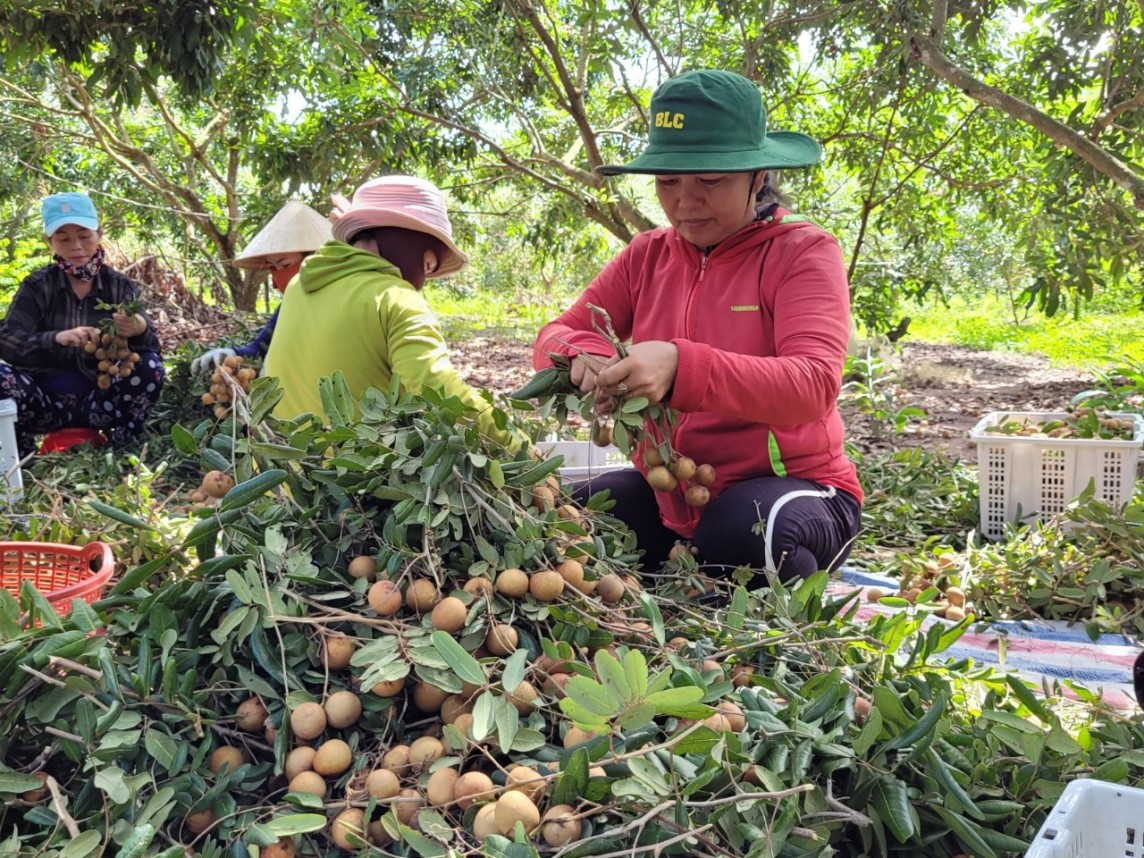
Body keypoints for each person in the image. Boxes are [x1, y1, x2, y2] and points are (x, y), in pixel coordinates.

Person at [533, 70, 863, 583]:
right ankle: (686, 576)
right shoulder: (646, 257)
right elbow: (559, 332)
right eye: (668, 182)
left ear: (759, 177)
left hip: (795, 488)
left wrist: (682, 366)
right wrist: (581, 355)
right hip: (677, 497)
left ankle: (764, 591)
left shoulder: (803, 252)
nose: (685, 202)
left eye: (710, 181)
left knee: (744, 534)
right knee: (571, 519)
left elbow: (814, 383)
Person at [262, 175, 517, 447]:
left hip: (282, 478)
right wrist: (517, 447)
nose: (422, 279)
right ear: (418, 250)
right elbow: (441, 394)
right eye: (429, 265)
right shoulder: (397, 299)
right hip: (354, 480)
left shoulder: (296, 286)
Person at [0, 192, 165, 457]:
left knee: (150, 367)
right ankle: (21, 456)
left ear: (99, 233)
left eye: (84, 235)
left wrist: (139, 328)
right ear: (49, 242)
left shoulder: (118, 286)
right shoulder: (37, 286)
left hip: (100, 405)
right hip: (42, 404)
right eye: (63, 238)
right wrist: (55, 339)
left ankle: (122, 449)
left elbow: (151, 347)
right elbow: (7, 341)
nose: (75, 245)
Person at [190, 200, 332, 374]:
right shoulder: (288, 306)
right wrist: (230, 353)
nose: (279, 274)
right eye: (273, 267)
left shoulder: (345, 299)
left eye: (285, 265)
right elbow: (259, 348)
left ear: (315, 257)